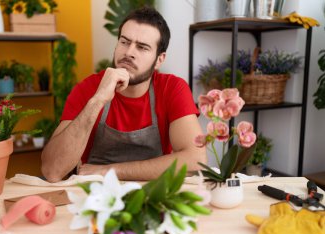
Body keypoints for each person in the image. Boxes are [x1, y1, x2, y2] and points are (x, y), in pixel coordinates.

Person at [41, 7, 206, 182]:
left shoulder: (171, 88)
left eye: (142, 47)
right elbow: (52, 171)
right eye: (125, 42)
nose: (129, 53)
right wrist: (98, 100)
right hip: (93, 197)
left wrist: (109, 171)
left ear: (159, 59)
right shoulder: (87, 89)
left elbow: (195, 160)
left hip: (153, 195)